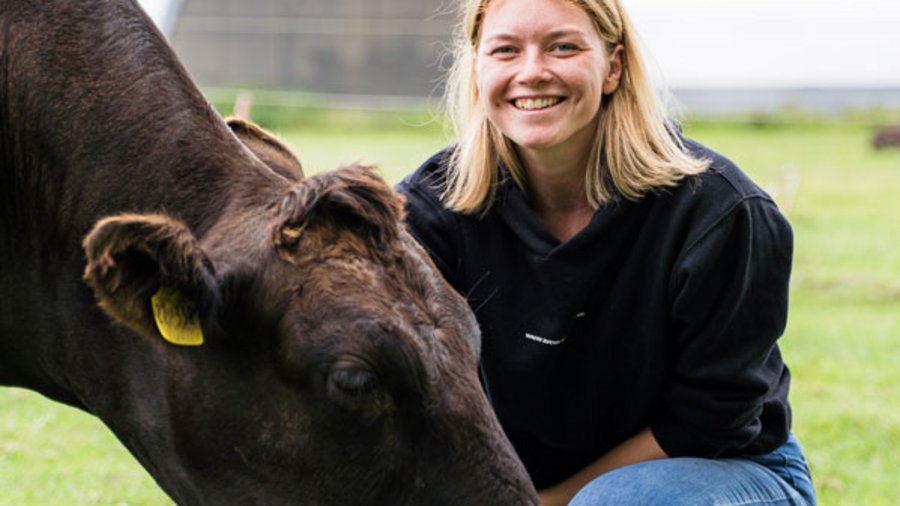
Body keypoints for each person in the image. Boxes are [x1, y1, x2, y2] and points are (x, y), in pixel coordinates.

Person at [396, 0, 817, 504]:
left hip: (726, 468)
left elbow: (711, 420)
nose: (532, 72)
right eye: (505, 50)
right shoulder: (427, 215)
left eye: (562, 47)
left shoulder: (720, 214)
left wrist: (548, 502)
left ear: (613, 66)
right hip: (524, 483)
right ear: (478, 68)